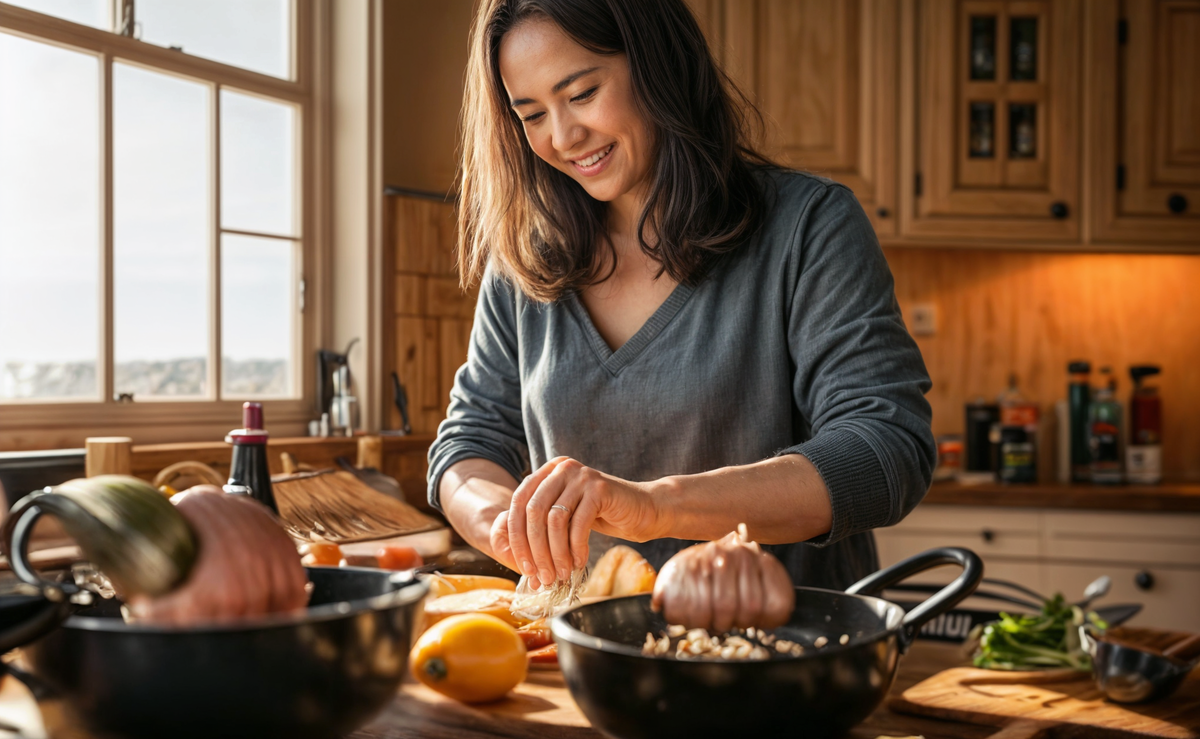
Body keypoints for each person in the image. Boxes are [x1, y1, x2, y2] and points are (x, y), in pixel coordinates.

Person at [427, 0, 935, 628]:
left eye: (582, 93)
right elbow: (468, 444)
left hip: (786, 658)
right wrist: (509, 526)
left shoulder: (808, 227)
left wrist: (652, 506)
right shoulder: (522, 262)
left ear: (658, 66)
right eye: (531, 114)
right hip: (591, 660)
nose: (562, 137)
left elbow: (885, 450)